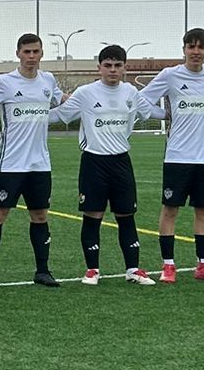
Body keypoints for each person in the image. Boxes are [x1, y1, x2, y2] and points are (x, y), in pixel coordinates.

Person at [49, 45, 158, 286]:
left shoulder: (131, 92)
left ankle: (132, 269)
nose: (113, 70)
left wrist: (188, 110)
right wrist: (27, 115)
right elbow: (59, 115)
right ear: (99, 68)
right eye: (107, 65)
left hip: (121, 162)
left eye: (118, 65)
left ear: (125, 68)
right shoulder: (86, 92)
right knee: (93, 215)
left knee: (126, 215)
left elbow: (153, 112)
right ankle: (92, 270)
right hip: (93, 161)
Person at [133, 28, 204, 284]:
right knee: (170, 209)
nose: (196, 52)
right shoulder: (170, 75)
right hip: (177, 155)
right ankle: (168, 265)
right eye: (191, 47)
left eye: (200, 47)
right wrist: (165, 115)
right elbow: (141, 101)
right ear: (184, 49)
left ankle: (203, 264)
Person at [0, 33, 63, 287]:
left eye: (36, 52)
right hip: (10, 164)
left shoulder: (48, 80)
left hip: (40, 164)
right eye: (27, 52)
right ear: (18, 54)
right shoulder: (4, 82)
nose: (32, 57)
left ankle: (43, 271)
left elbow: (61, 101)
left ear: (42, 53)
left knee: (39, 215)